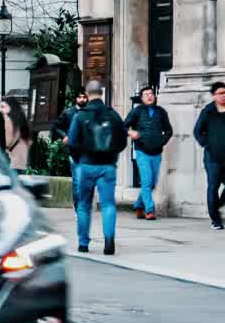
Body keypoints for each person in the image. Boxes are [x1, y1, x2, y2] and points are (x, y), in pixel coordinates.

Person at [68, 80, 129, 255]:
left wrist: (79, 158)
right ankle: (109, 241)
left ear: (87, 93)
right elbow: (122, 140)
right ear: (101, 93)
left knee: (84, 204)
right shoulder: (113, 115)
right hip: (107, 165)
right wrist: (112, 155)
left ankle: (83, 242)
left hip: (86, 164)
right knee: (108, 204)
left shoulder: (80, 116)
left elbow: (72, 142)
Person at [126, 87, 174, 220]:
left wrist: (161, 142)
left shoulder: (161, 112)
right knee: (146, 181)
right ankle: (149, 210)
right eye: (146, 94)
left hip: (157, 152)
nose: (149, 96)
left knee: (152, 183)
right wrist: (131, 132)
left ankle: (138, 205)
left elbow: (169, 131)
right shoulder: (137, 111)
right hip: (142, 151)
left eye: (151, 94)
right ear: (141, 98)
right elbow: (124, 126)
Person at [194, 81, 225, 230]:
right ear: (214, 96)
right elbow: (197, 131)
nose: (223, 96)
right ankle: (216, 220)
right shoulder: (208, 111)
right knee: (213, 186)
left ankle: (216, 204)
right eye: (220, 93)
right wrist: (207, 144)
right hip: (213, 157)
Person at [0, 98, 32, 174]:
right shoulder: (20, 120)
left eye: (3, 107)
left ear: (11, 107)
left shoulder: (7, 120)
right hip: (22, 159)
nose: (0, 109)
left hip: (12, 161)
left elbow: (7, 143)